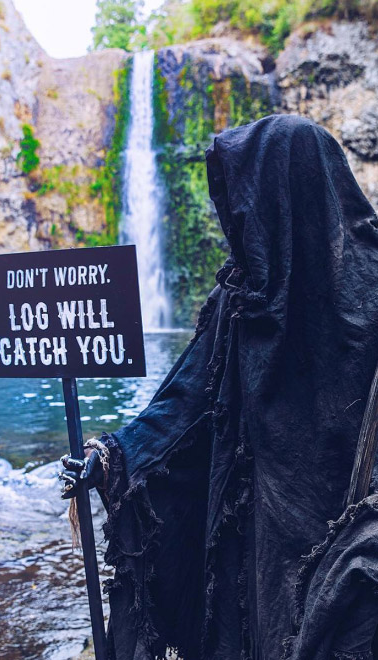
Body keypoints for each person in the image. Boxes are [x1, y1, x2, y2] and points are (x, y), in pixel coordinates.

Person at [59, 116, 378, 660]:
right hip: (255, 519)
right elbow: (186, 401)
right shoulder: (246, 292)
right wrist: (113, 458)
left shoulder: (369, 282)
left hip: (350, 524)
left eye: (245, 198)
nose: (236, 214)